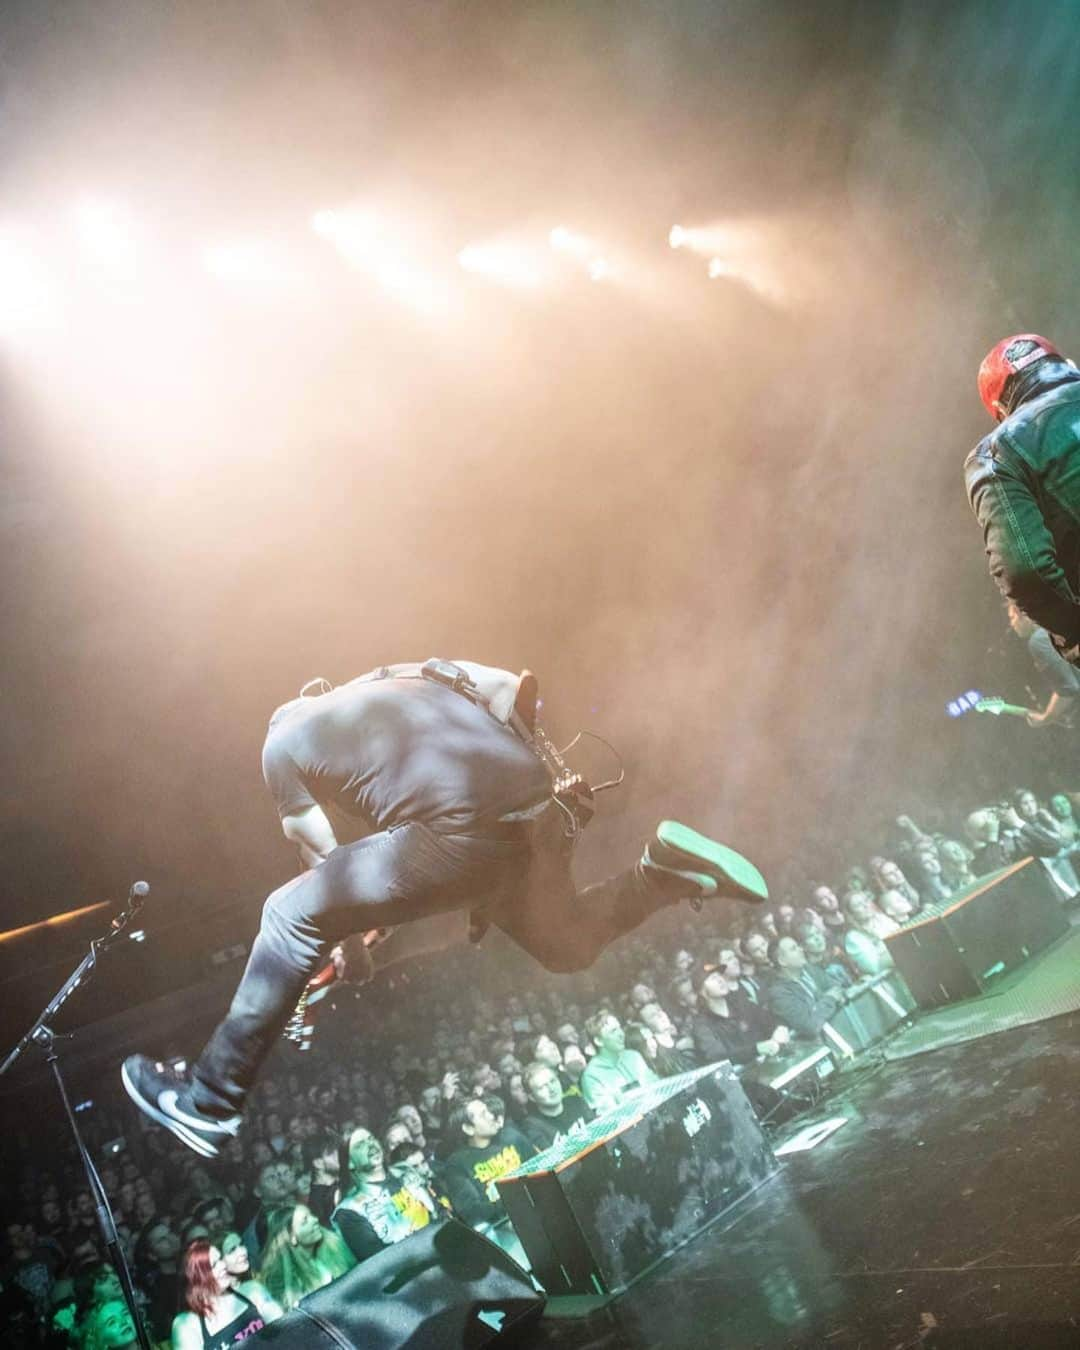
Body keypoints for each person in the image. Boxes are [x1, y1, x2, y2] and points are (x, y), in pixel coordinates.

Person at [122, 660, 768, 1155]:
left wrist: (354, 956)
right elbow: (520, 695)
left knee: (288, 915)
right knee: (564, 944)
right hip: (537, 809)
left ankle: (209, 1099)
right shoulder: (416, 672)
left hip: (460, 824)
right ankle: (661, 874)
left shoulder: (281, 740)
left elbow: (320, 861)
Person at [967, 335, 1080, 661]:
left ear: (1001, 409)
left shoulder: (996, 454)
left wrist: (1073, 631)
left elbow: (1024, 570)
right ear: (1063, 363)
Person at [332, 1127, 440, 1262]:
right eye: (360, 1145)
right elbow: (379, 1262)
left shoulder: (407, 1173)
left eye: (371, 1139)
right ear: (350, 1163)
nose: (370, 1144)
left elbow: (439, 1209)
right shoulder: (349, 1210)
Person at [170, 1238, 281, 1349]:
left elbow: (283, 1330)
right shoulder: (187, 1324)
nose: (222, 1266)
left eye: (220, 1260)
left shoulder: (252, 1291)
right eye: (213, 1265)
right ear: (196, 1277)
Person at [256, 1204, 354, 1310]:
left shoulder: (334, 1246)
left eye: (311, 1215)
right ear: (292, 1238)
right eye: (305, 1222)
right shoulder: (284, 1283)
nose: (315, 1220)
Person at [765, 936, 846, 1040]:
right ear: (782, 961)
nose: (801, 949)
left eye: (798, 946)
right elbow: (810, 1025)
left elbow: (837, 988)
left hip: (840, 1029)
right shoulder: (779, 994)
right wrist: (830, 999)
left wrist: (819, 1009)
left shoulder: (808, 969)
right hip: (819, 1046)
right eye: (793, 949)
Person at [579, 1010, 659, 1113]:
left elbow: (655, 1086)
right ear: (598, 1041)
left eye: (619, 1028)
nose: (621, 1034)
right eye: (613, 1031)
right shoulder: (591, 1076)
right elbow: (608, 1116)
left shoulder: (634, 1056)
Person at [518, 1063, 592, 1152]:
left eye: (553, 1081)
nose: (551, 1089)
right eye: (542, 1087)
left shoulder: (577, 1102)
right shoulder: (532, 1125)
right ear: (532, 1097)